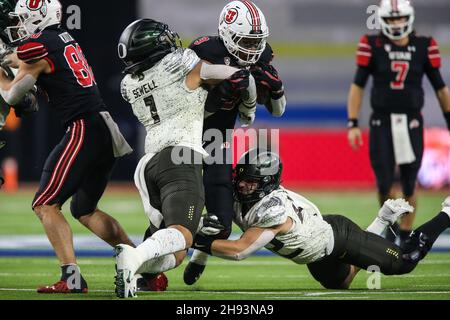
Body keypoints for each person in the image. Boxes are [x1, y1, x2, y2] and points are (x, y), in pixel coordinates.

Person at [0, 0, 134, 293]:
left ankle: (71, 278)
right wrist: (7, 60)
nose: (20, 25)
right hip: (103, 125)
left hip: (84, 127)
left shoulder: (38, 46)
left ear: (38, 17)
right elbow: (26, 70)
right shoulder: (60, 38)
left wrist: (0, 69)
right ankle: (141, 265)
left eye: (24, 18)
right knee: (85, 209)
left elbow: (11, 97)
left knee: (45, 204)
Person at [115, 18, 253, 298]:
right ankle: (132, 256)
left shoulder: (128, 84)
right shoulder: (180, 63)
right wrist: (247, 111)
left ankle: (140, 266)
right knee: (183, 233)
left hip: (147, 166)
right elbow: (240, 77)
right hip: (180, 158)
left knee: (177, 252)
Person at [191, 149, 450, 289]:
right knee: (342, 281)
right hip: (316, 253)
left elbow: (240, 251)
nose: (242, 184)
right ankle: (381, 221)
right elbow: (219, 228)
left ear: (266, 184)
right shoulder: (237, 196)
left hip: (339, 237)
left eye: (250, 181)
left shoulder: (273, 209)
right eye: (242, 177)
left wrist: (192, 240)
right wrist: (198, 259)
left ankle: (446, 213)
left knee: (406, 261)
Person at [183, 0, 287, 286]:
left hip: (218, 140)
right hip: (186, 135)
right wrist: (219, 99)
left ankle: (199, 256)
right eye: (246, 40)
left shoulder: (262, 54)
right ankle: (149, 272)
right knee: (175, 212)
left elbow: (278, 111)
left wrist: (276, 90)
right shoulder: (205, 51)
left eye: (257, 42)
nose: (253, 49)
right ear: (227, 33)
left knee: (220, 221)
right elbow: (185, 106)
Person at [347, 0, 450, 245]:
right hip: (381, 121)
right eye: (391, 19)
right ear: (382, 20)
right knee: (384, 183)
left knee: (410, 183)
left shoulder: (424, 45)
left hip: (412, 121)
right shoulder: (372, 44)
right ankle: (391, 229)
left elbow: (440, 87)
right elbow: (357, 86)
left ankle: (405, 236)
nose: (396, 23)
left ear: (409, 18)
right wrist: (352, 122)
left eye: (399, 18)